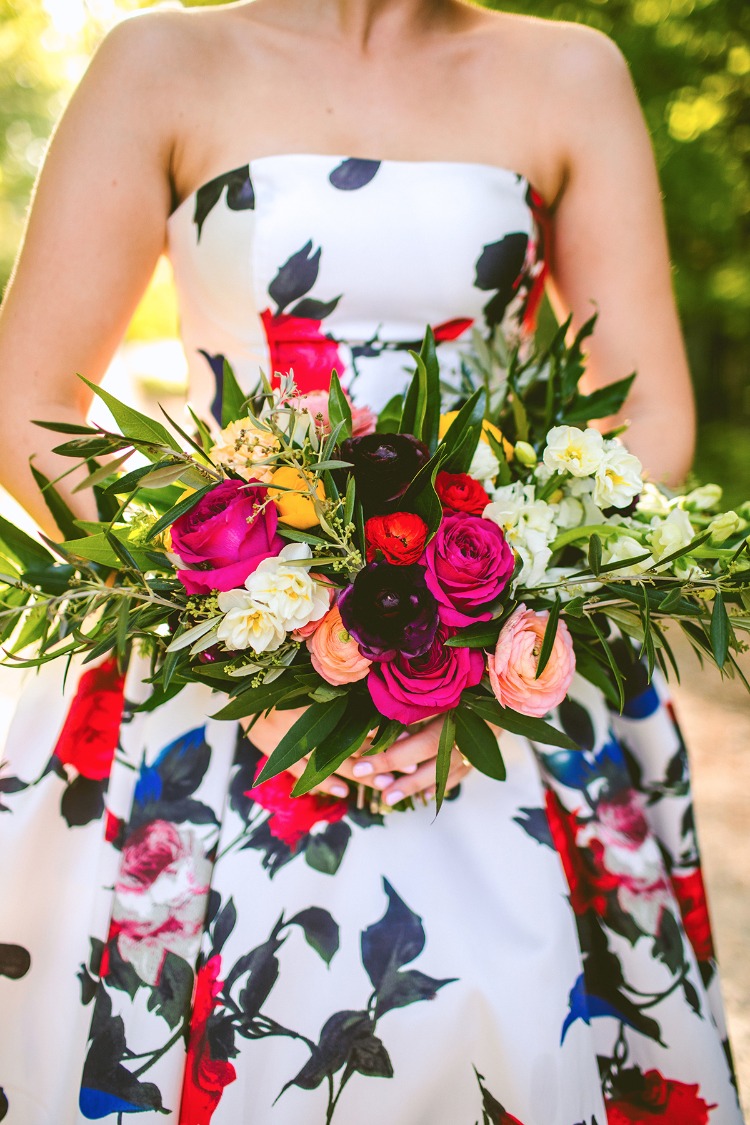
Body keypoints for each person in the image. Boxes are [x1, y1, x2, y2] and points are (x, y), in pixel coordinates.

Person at [0, 0, 743, 1122]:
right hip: (211, 664)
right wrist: (246, 635)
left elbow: (645, 428)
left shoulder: (571, 73)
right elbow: (32, 399)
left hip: (509, 665)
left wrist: (480, 659)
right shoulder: (159, 61)